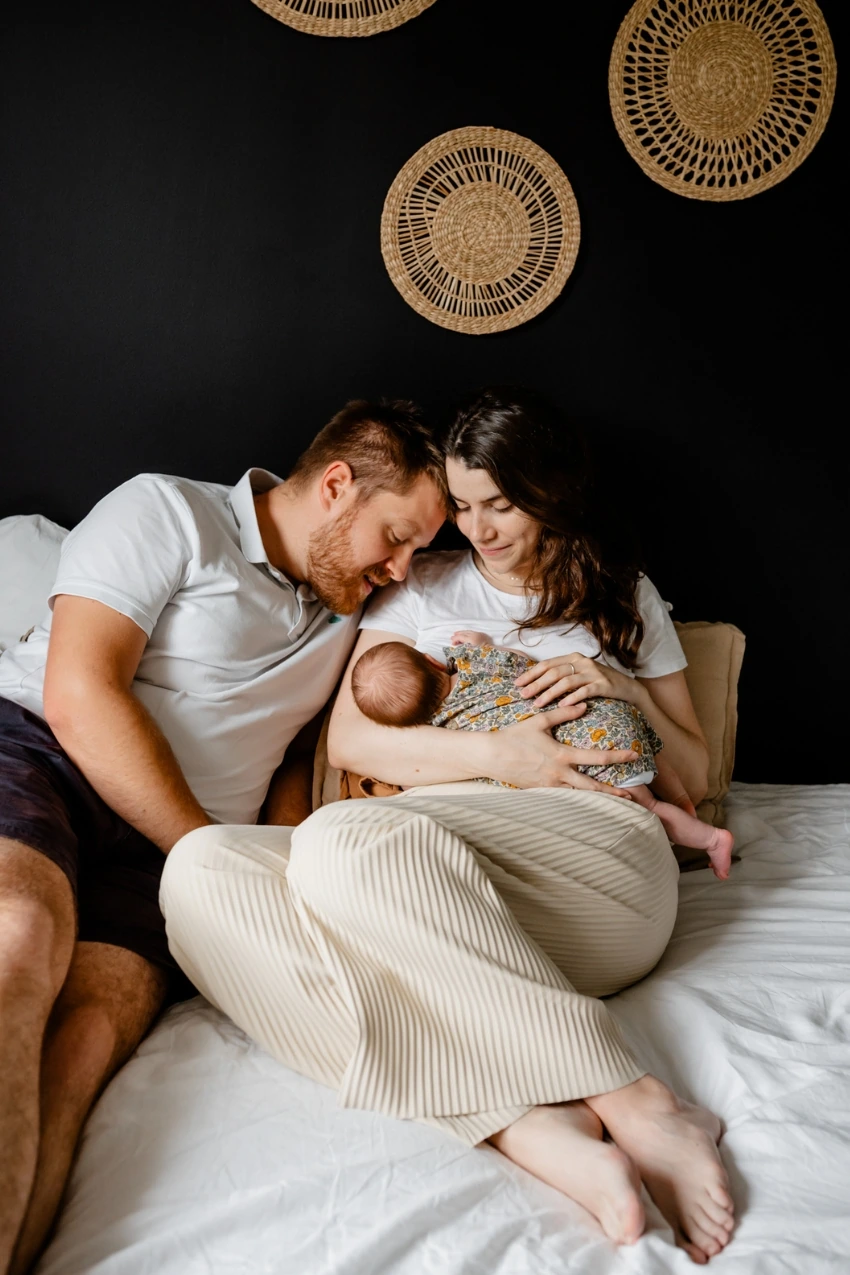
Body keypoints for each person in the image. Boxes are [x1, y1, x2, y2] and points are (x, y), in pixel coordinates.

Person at [161, 387, 735, 1265]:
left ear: (547, 490)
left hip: (598, 859)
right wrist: (502, 756)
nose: (477, 529)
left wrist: (617, 685)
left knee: (339, 842)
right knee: (199, 870)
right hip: (428, 884)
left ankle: (635, 1097)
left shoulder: (623, 593)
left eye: (498, 504)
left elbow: (692, 772)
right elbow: (352, 739)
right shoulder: (421, 588)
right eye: (462, 507)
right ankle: (523, 1119)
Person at [0, 399, 447, 1275]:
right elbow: (79, 693)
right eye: (396, 537)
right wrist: (210, 859)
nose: (400, 569)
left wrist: (280, 867)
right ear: (336, 486)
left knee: (81, 1050)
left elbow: (295, 756)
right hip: (42, 755)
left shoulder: (356, 608)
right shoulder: (168, 511)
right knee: (21, 937)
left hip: (171, 860)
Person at [349, 634, 735, 879]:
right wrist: (481, 645)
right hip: (605, 711)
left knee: (647, 806)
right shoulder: (475, 663)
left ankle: (711, 839)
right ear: (433, 661)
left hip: (591, 750)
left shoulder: (449, 729)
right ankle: (681, 799)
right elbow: (522, 665)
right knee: (647, 749)